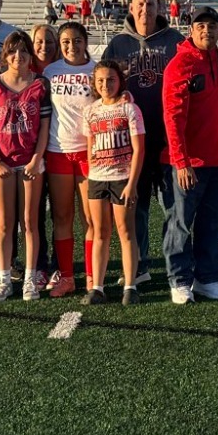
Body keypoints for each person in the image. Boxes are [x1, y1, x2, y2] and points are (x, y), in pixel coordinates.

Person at [102, 0, 184, 280]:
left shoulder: (175, 41)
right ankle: (139, 265)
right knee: (135, 206)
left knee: (174, 208)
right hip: (131, 141)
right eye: (140, 4)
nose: (144, 9)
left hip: (166, 139)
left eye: (150, 3)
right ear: (131, 6)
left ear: (159, 6)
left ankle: (176, 267)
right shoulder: (118, 44)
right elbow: (103, 84)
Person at [162, 7, 218, 304]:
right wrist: (181, 161)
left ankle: (207, 277)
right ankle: (179, 278)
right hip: (191, 163)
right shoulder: (180, 64)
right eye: (201, 25)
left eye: (213, 25)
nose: (207, 30)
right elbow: (173, 117)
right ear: (191, 30)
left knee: (214, 221)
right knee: (180, 221)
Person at [0, 30, 50, 301]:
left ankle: (30, 279)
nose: (18, 56)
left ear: (30, 55)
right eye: (13, 51)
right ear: (5, 54)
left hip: (30, 162)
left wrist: (36, 158)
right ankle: (5, 279)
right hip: (2, 163)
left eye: (23, 51)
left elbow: (44, 127)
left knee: (30, 223)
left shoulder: (40, 84)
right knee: (5, 224)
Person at [81, 59, 146, 305]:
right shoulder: (91, 110)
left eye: (110, 79)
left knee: (126, 233)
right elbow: (90, 148)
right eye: (100, 80)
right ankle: (97, 287)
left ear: (120, 81)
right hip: (98, 179)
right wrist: (90, 176)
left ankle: (130, 286)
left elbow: (139, 149)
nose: (105, 84)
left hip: (122, 179)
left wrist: (132, 183)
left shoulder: (130, 109)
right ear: (94, 84)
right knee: (100, 232)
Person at [41, 20, 97, 298]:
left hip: (90, 152)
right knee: (62, 216)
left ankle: (90, 275)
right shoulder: (51, 71)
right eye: (65, 42)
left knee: (91, 219)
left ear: (85, 41)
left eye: (76, 40)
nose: (71, 46)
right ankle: (66, 277)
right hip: (58, 150)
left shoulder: (97, 70)